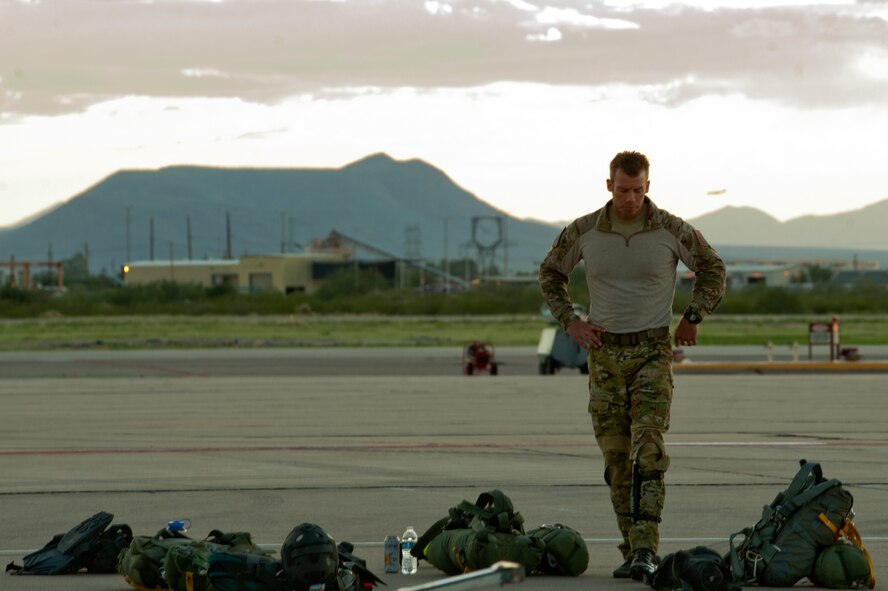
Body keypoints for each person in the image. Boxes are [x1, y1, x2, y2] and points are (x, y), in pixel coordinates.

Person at [538, 150, 725, 581]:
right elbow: (550, 274)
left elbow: (713, 268)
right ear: (609, 186)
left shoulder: (670, 230)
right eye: (623, 190)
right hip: (604, 355)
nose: (630, 199)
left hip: (653, 352)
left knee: (649, 450)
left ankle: (646, 549)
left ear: (648, 187)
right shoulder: (585, 231)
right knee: (617, 458)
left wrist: (693, 316)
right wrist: (571, 322)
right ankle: (630, 546)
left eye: (638, 190)